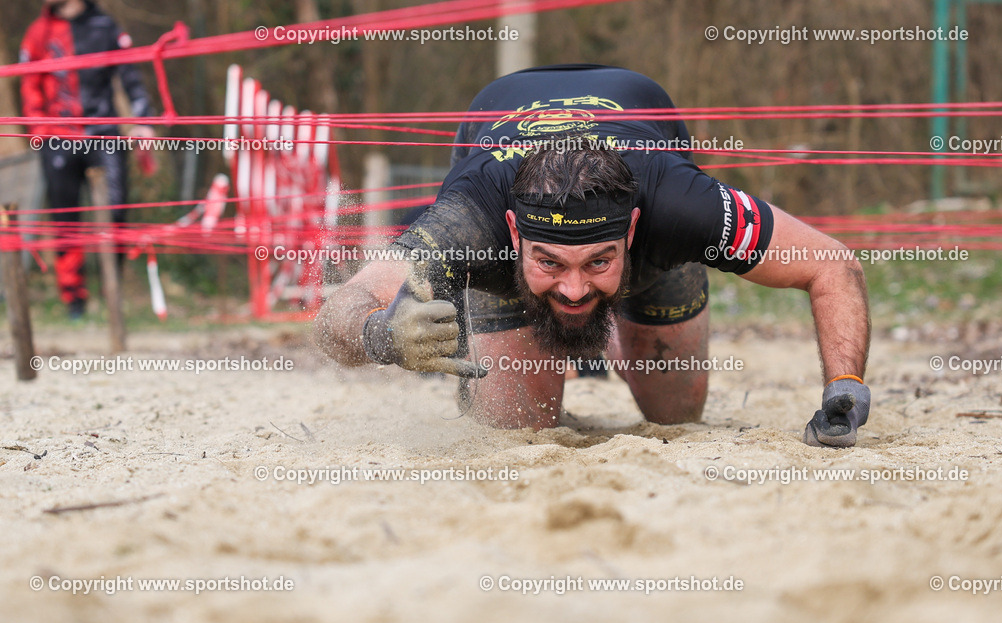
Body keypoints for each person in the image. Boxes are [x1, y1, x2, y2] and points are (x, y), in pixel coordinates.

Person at [316, 64, 871, 447]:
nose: (575, 288)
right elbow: (339, 311)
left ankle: (613, 319)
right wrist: (381, 335)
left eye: (597, 262)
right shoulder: (472, 220)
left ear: (631, 228)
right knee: (518, 432)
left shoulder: (681, 207)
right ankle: (497, 330)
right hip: (505, 240)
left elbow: (831, 265)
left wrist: (844, 386)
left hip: (653, 237)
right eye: (551, 262)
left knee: (674, 412)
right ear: (513, 230)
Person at [20, 0, 156, 318]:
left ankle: (113, 290)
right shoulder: (37, 33)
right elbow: (30, 89)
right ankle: (74, 301)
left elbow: (131, 76)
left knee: (117, 212)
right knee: (65, 220)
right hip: (57, 139)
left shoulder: (105, 27)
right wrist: (40, 132)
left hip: (104, 133)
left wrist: (143, 122)